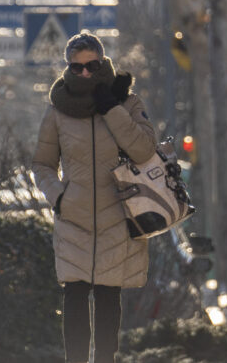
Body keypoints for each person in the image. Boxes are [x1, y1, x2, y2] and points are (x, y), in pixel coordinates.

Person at [31, 33, 157, 363]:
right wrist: (58, 197)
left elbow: (144, 151)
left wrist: (111, 109)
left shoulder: (127, 103)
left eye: (92, 65)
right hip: (74, 217)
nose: (85, 73)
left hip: (118, 215)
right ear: (68, 68)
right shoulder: (57, 110)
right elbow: (42, 164)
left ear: (103, 63)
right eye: (77, 67)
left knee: (107, 299)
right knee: (73, 296)